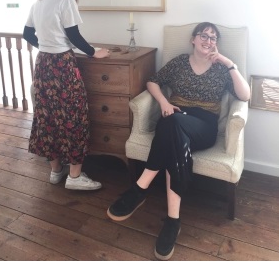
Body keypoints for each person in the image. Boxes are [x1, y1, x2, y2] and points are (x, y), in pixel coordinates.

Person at [106, 22, 250, 260]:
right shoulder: (180, 62)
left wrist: (228, 63)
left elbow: (244, 95)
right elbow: (152, 81)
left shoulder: (222, 69)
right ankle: (173, 220)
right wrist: (163, 102)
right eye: (204, 35)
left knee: (171, 125)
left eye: (214, 38)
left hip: (203, 126)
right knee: (173, 129)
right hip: (173, 115)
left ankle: (140, 189)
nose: (209, 40)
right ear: (193, 39)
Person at [23, 0, 110, 191]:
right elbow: (74, 35)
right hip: (62, 65)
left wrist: (45, 45)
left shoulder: (39, 2)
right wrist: (94, 53)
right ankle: (74, 176)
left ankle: (55, 171)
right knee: (74, 117)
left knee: (47, 117)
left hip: (42, 64)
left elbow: (26, 33)